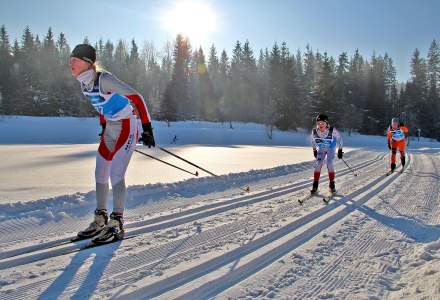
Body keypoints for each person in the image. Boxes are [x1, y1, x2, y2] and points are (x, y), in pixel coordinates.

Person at [69, 44, 155, 244]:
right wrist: (103, 125)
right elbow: (100, 105)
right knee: (100, 171)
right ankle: (100, 219)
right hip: (110, 127)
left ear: (88, 63)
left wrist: (147, 128)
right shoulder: (84, 83)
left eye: (75, 60)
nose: (71, 64)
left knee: (116, 172)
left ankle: (117, 222)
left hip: (127, 124)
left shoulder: (104, 79)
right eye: (70, 60)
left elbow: (137, 97)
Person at [311, 114, 343, 194]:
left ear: (326, 123)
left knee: (329, 163)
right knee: (318, 164)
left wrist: (340, 150)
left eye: (322, 123)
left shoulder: (332, 130)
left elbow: (340, 138)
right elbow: (312, 140)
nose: (320, 125)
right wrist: (314, 150)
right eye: (318, 123)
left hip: (331, 148)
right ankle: (315, 185)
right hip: (321, 148)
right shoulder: (315, 131)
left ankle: (332, 184)